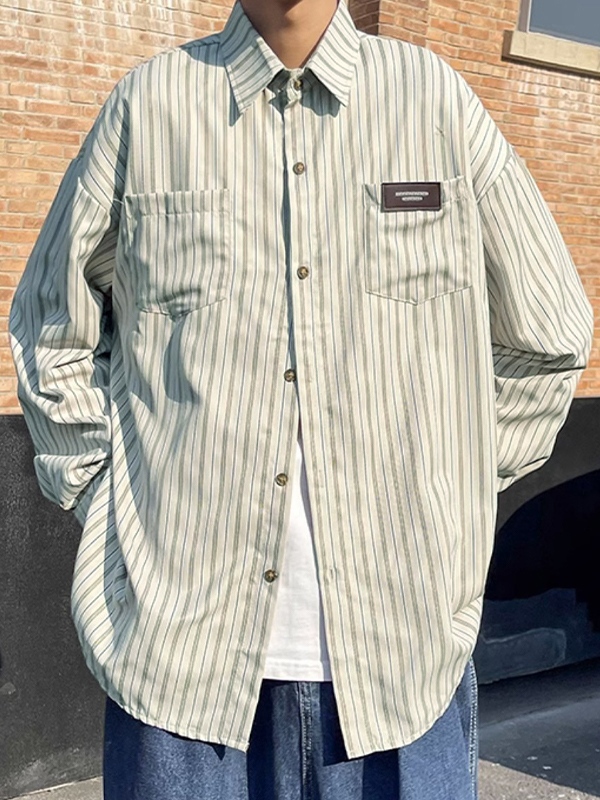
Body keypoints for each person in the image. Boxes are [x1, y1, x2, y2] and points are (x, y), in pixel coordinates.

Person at [9, 0, 593, 798]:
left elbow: (549, 333)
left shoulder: (433, 102)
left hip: (402, 668)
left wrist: (449, 489)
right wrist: (100, 492)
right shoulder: (149, 108)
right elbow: (52, 325)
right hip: (179, 670)